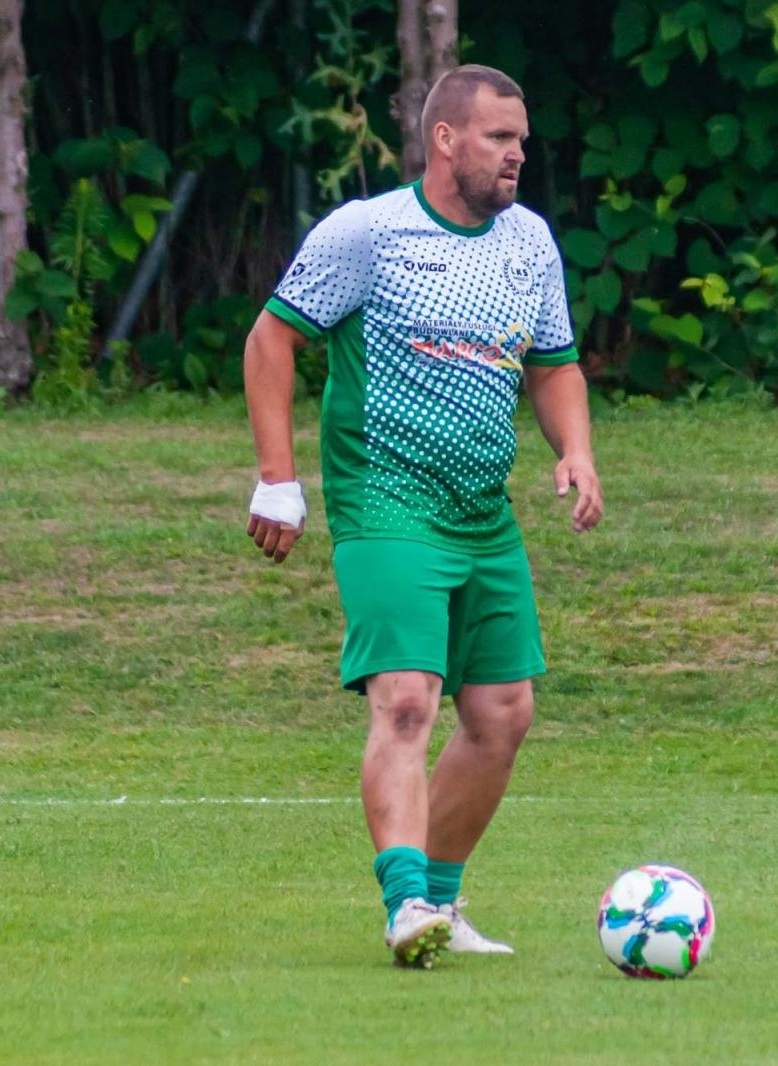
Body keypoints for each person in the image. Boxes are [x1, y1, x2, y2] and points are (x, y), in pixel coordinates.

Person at [243, 64, 603, 968]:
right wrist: (278, 480)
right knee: (406, 702)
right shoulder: (370, 231)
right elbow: (273, 336)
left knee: (503, 714)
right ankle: (404, 903)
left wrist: (576, 449)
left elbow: (554, 365)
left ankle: (440, 903)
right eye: (497, 137)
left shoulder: (530, 243)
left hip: (484, 514)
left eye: (521, 139)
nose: (516, 154)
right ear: (445, 139)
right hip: (386, 501)